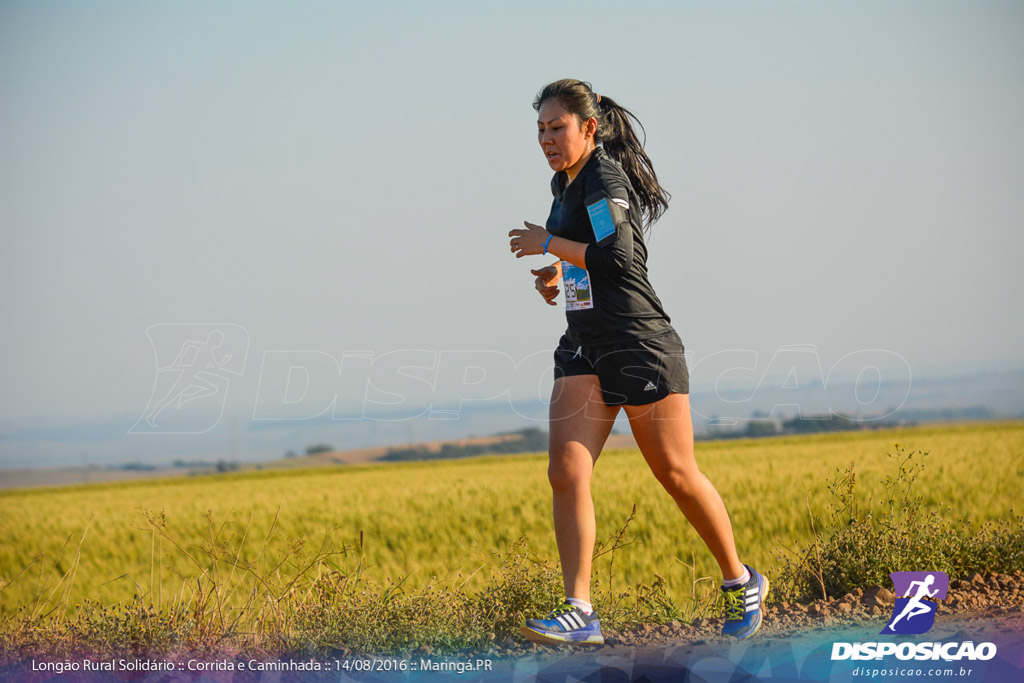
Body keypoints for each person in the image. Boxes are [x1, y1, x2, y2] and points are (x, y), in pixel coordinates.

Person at [508, 79, 767, 645]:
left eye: (558, 128)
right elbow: (589, 257)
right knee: (566, 472)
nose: (547, 139)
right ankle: (581, 610)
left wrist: (548, 243)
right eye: (541, 130)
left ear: (588, 128)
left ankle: (740, 579)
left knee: (675, 475)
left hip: (639, 343)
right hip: (584, 343)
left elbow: (619, 258)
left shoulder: (603, 178)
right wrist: (558, 275)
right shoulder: (565, 182)